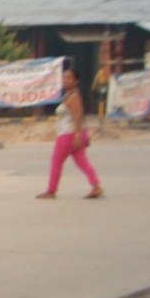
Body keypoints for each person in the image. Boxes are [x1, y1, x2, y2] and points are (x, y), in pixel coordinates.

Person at [38, 64, 102, 199]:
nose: (65, 80)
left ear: (75, 81)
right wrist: (83, 134)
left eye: (69, 78)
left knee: (56, 161)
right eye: (64, 77)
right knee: (81, 161)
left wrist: (78, 134)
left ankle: (51, 191)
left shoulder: (74, 97)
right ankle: (96, 186)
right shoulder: (70, 95)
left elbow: (78, 115)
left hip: (68, 135)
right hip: (74, 134)